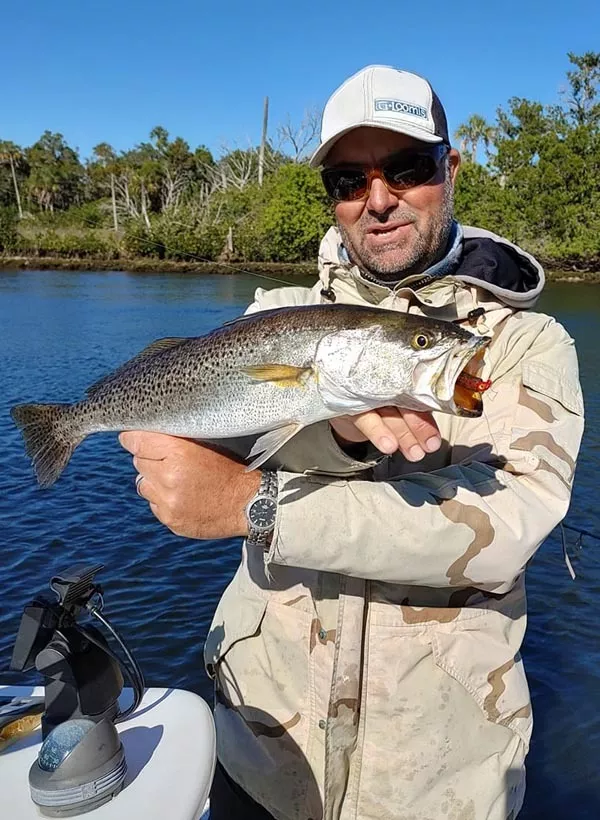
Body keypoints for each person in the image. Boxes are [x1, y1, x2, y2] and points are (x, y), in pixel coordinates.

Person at [120, 65, 584, 820]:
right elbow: (204, 456)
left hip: (437, 782)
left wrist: (262, 508)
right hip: (263, 748)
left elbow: (505, 530)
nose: (377, 200)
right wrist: (327, 429)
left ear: (450, 168)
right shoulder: (275, 312)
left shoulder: (525, 345)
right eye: (348, 178)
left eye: (405, 168)